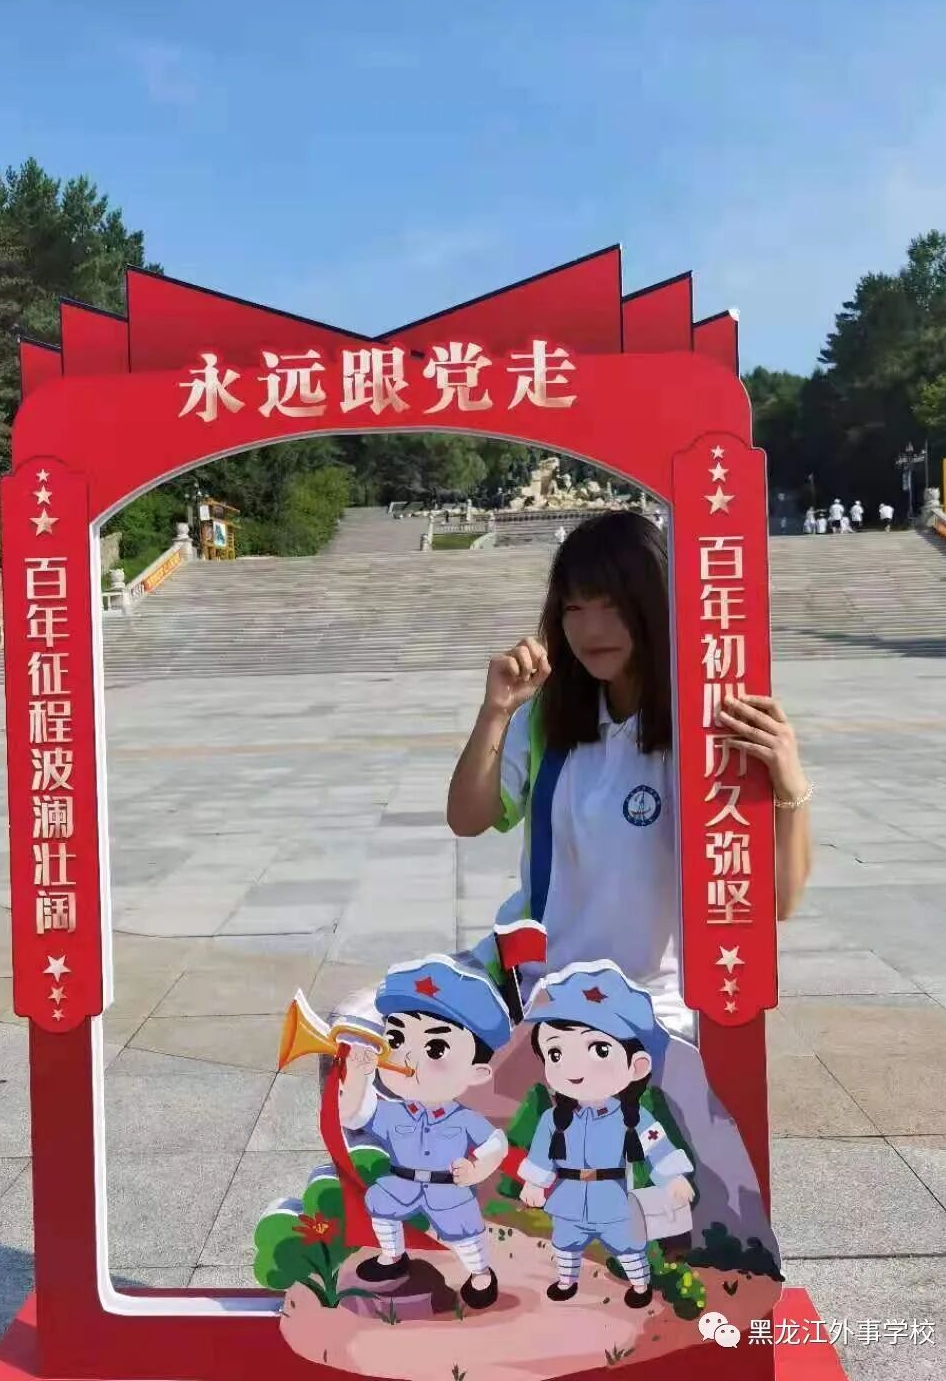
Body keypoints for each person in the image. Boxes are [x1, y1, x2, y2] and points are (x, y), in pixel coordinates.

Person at [446, 509, 812, 1035]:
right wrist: (496, 711)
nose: (590, 629)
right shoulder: (549, 715)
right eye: (574, 607)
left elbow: (777, 901)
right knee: (368, 1037)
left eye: (612, 605)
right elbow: (466, 819)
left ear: (655, 603)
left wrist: (790, 788)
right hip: (536, 981)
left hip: (655, 1004)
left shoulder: (711, 726)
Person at [338, 955, 511, 1309]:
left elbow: (497, 1142)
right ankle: (392, 1257)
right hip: (401, 1181)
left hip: (448, 1189)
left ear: (477, 1073)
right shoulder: (393, 1111)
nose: (406, 1059)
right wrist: (358, 1078)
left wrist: (478, 1168)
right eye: (396, 1038)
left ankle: (480, 1274)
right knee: (381, 1204)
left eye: (435, 1048)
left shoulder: (463, 1118)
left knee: (464, 1232)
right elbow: (353, 1116)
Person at [519, 963, 694, 1305]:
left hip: (613, 1196)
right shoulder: (554, 1119)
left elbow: (656, 1144)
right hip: (569, 1193)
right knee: (565, 1240)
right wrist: (535, 1183)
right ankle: (567, 1282)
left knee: (627, 1243)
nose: (572, 1067)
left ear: (636, 1066)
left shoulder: (632, 1116)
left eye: (599, 1050)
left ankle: (640, 1286)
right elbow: (541, 1153)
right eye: (556, 1052)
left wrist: (672, 1178)